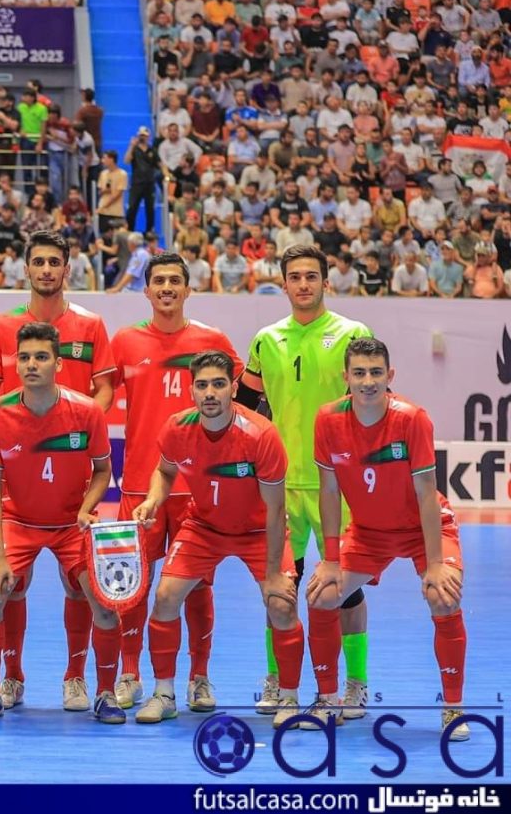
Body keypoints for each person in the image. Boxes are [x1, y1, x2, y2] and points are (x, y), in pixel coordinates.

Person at [0, 229, 115, 711]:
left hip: (71, 480)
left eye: (54, 261)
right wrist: (19, 434)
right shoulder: (1, 326)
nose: (46, 269)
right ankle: (5, 681)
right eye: (38, 261)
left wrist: (69, 431)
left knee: (91, 590)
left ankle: (81, 681)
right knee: (1, 586)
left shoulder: (92, 325)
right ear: (27, 268)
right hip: (21, 488)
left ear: (66, 267)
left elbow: (103, 399)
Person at [131, 351, 304, 728]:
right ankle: (164, 693)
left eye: (219, 384)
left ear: (234, 388)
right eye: (203, 385)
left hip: (259, 530)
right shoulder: (177, 428)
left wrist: (275, 574)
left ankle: (289, 698)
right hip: (204, 527)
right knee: (164, 597)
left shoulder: (261, 435)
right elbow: (164, 472)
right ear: (192, 390)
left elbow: (276, 510)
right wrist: (152, 500)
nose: (210, 392)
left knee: (281, 604)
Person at [307, 338, 467, 740]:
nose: (367, 381)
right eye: (358, 373)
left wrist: (433, 564)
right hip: (368, 531)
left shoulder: (412, 418)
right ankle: (333, 699)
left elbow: (427, 492)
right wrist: (328, 559)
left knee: (443, 596)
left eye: (376, 372)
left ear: (389, 376)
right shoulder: (327, 420)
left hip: (422, 529)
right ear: (345, 377)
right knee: (322, 594)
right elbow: (328, 492)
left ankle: (453, 707)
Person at [239, 243, 372, 718]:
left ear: (325, 280)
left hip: (339, 484)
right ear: (284, 282)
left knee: (348, 588)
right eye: (294, 276)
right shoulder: (265, 339)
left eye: (311, 276)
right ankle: (280, 679)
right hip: (280, 486)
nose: (303, 284)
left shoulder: (352, 333)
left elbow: (371, 401)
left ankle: (355, 684)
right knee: (280, 587)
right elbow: (246, 406)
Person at [109, 252, 241, 711]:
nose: (166, 288)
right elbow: (100, 399)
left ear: (188, 290)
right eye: (158, 281)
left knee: (197, 587)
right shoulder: (124, 342)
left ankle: (199, 679)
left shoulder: (213, 340)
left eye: (174, 281)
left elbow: (238, 400)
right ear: (145, 291)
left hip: (197, 489)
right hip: (139, 489)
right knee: (132, 586)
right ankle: (130, 675)